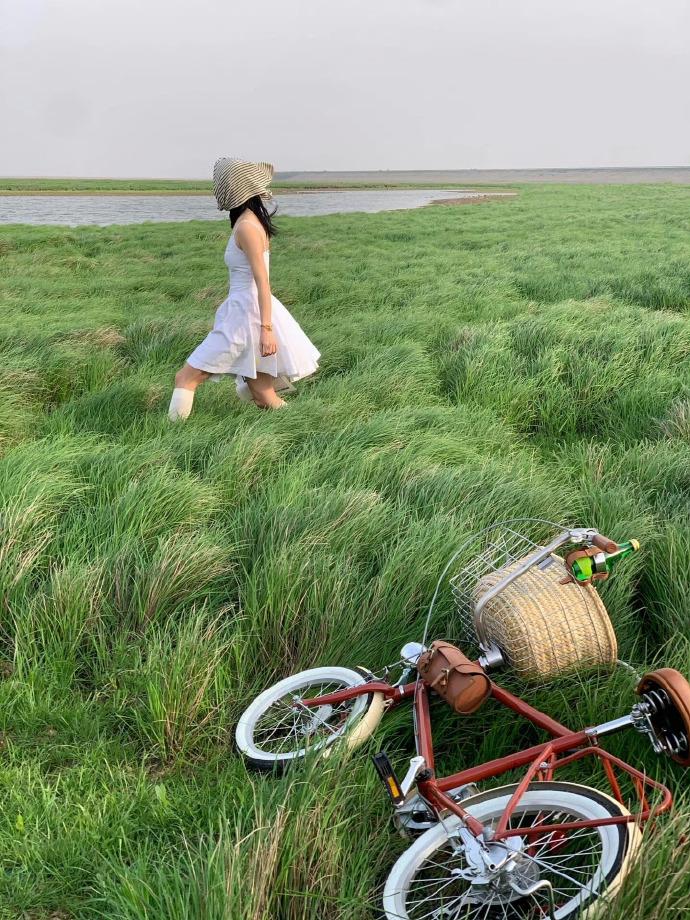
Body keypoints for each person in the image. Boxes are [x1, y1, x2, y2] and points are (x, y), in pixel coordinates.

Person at [168, 158, 320, 419]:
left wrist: (266, 330)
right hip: (245, 312)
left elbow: (263, 281)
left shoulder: (247, 227)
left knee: (185, 377)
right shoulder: (249, 222)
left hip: (244, 317)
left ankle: (170, 435)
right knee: (263, 395)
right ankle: (305, 425)